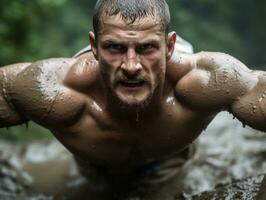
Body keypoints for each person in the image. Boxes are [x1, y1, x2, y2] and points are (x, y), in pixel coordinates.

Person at [0, 0, 265, 199]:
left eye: (146, 48)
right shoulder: (53, 90)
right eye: (115, 48)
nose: (131, 66)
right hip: (93, 171)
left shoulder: (208, 82)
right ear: (94, 47)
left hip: (171, 165)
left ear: (169, 46)